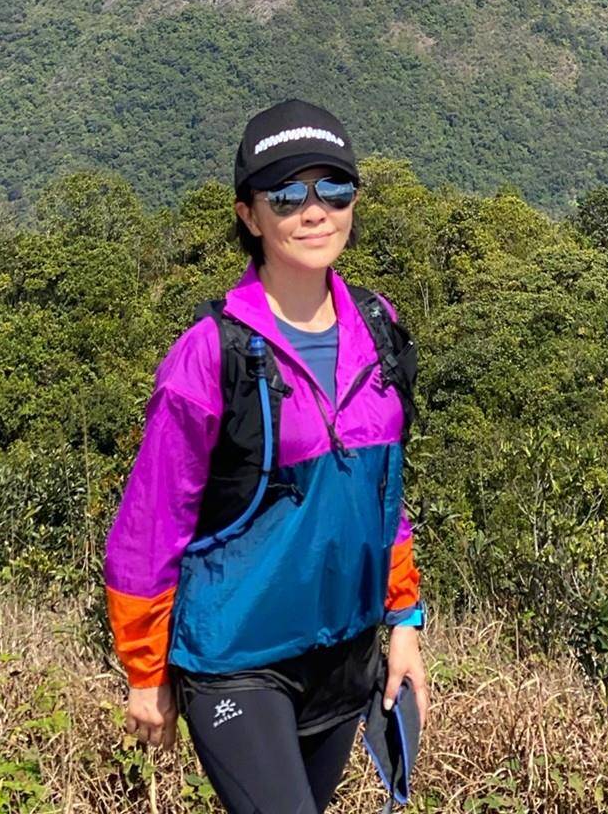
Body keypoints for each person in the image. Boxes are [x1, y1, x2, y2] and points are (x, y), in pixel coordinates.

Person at [105, 100, 428, 814]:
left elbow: (383, 497)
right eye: (287, 195)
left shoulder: (379, 329)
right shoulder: (211, 355)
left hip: (343, 655)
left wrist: (403, 622)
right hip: (239, 660)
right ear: (250, 216)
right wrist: (144, 667)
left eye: (333, 190)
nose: (315, 212)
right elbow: (149, 524)